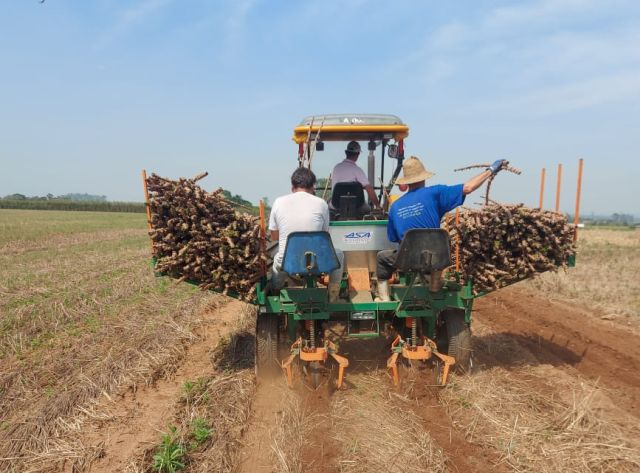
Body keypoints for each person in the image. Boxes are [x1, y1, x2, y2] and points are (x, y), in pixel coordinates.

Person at [376, 156, 508, 301]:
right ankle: (435, 284)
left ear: (406, 182)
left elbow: (394, 238)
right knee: (434, 252)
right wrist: (490, 170)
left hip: (406, 259)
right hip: (436, 257)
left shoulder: (395, 206)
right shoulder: (435, 193)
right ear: (423, 178)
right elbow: (468, 187)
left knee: (382, 257)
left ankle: (384, 299)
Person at [269, 167, 344, 301]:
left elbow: (274, 237)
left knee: (277, 259)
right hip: (318, 261)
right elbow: (324, 235)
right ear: (313, 186)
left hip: (288, 261)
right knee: (339, 254)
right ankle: (333, 295)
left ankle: (276, 290)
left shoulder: (278, 202)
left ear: (293, 186)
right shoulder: (321, 204)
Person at [330, 141, 380, 213]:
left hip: (336, 205)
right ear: (358, 154)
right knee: (369, 209)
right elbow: (369, 189)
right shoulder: (357, 170)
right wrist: (378, 206)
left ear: (346, 153)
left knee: (328, 202)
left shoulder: (336, 168)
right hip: (356, 207)